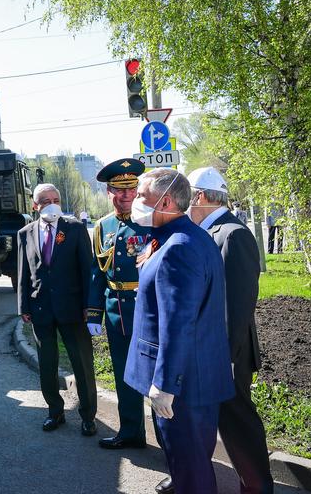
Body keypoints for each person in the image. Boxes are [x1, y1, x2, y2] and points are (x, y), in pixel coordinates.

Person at [124, 168, 234, 494]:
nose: (135, 202)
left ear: (166, 200)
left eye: (142, 197)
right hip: (192, 379)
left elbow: (178, 322)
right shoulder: (184, 237)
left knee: (192, 475)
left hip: (183, 387)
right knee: (188, 466)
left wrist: (165, 384)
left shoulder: (178, 247)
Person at [178, 167, 273, 494]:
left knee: (237, 424)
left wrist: (222, 360)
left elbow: (236, 306)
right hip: (201, 351)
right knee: (195, 421)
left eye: (187, 197)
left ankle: (258, 486)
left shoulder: (232, 234)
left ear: (200, 196)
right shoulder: (205, 231)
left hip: (224, 356)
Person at [18, 183, 97, 436]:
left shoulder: (74, 229)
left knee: (82, 364)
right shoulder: (25, 233)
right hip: (41, 308)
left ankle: (87, 416)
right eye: (44, 200)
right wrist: (23, 306)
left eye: (55, 199)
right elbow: (23, 273)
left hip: (73, 309)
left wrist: (89, 306)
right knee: (47, 364)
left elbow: (88, 270)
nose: (51, 204)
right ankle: (55, 412)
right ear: (34, 205)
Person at [89, 158, 150, 451]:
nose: (126, 195)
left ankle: (170, 443)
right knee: (125, 375)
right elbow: (96, 274)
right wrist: (93, 313)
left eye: (132, 189)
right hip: (118, 314)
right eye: (119, 190)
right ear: (108, 192)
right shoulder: (103, 227)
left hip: (150, 310)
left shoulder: (151, 220)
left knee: (156, 378)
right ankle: (131, 432)